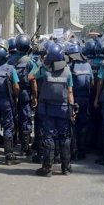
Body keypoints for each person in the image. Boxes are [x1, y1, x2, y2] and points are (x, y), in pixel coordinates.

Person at [30, 43, 75, 176]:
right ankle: (66, 167)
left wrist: (41, 64)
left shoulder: (45, 70)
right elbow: (70, 92)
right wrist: (71, 110)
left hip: (48, 108)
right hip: (63, 108)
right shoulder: (67, 72)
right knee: (64, 137)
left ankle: (47, 168)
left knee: (48, 137)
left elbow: (30, 77)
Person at [9, 34, 35, 155]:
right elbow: (33, 80)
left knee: (12, 116)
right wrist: (35, 96)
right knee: (25, 117)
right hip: (25, 91)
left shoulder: (10, 59)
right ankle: (25, 147)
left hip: (12, 91)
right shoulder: (30, 61)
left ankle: (11, 142)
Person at [67, 41, 92, 161]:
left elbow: (68, 86)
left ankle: (74, 151)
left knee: (73, 125)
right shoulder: (88, 65)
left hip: (74, 99)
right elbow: (92, 82)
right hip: (85, 99)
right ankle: (83, 151)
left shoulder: (70, 66)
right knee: (83, 125)